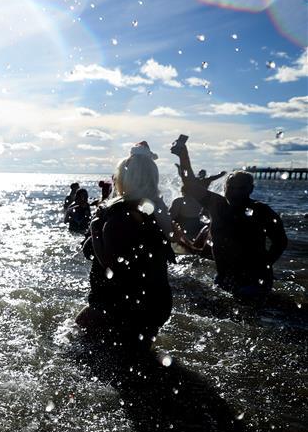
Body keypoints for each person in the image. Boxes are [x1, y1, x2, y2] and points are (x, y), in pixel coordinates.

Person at [76, 146, 175, 347]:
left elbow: (111, 266)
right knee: (141, 357)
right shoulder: (157, 210)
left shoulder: (120, 213)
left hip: (118, 304)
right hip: (155, 303)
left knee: (77, 340)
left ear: (123, 179)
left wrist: (95, 230)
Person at [173, 140, 287, 300]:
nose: (235, 193)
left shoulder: (261, 211)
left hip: (254, 281)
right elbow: (191, 185)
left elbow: (281, 242)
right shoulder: (217, 205)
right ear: (225, 189)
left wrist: (264, 265)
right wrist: (183, 155)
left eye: (241, 189)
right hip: (224, 278)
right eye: (231, 188)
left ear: (251, 189)